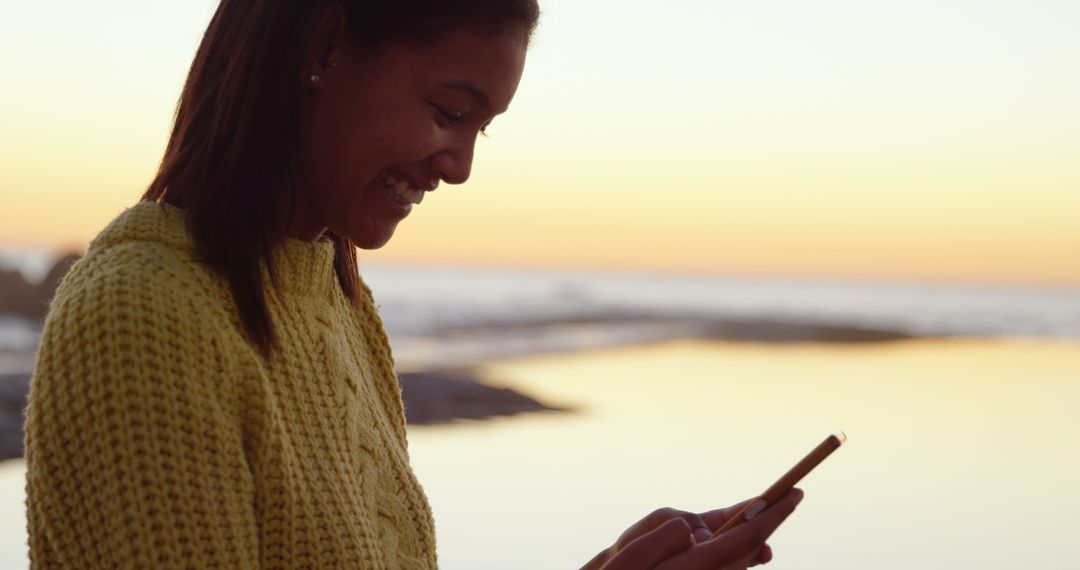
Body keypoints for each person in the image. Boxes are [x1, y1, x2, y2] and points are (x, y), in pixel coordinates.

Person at [23, 1, 803, 568]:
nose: (459, 166)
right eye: (447, 110)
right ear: (322, 45)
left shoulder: (337, 302)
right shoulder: (143, 319)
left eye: (480, 128)